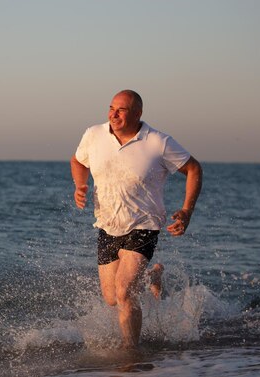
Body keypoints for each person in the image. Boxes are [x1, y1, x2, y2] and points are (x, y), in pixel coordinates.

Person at [70, 89, 203, 348]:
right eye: (111, 108)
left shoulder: (157, 142)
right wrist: (80, 185)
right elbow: (77, 161)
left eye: (121, 110)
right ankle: (151, 276)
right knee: (111, 298)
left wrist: (187, 211)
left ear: (138, 114)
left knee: (124, 292)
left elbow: (194, 168)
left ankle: (131, 354)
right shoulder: (94, 134)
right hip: (108, 225)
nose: (113, 114)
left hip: (144, 225)